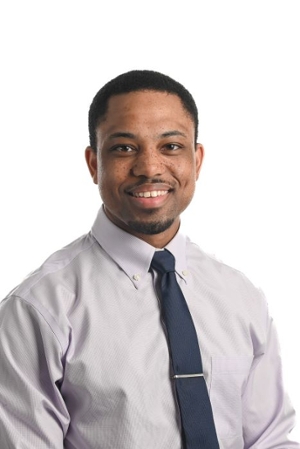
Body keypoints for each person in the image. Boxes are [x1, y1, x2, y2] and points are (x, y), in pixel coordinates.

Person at [0, 70, 298, 449]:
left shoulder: (240, 297)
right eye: (124, 148)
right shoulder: (38, 310)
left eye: (171, 146)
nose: (150, 167)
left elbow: (270, 440)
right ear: (94, 163)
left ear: (197, 158)